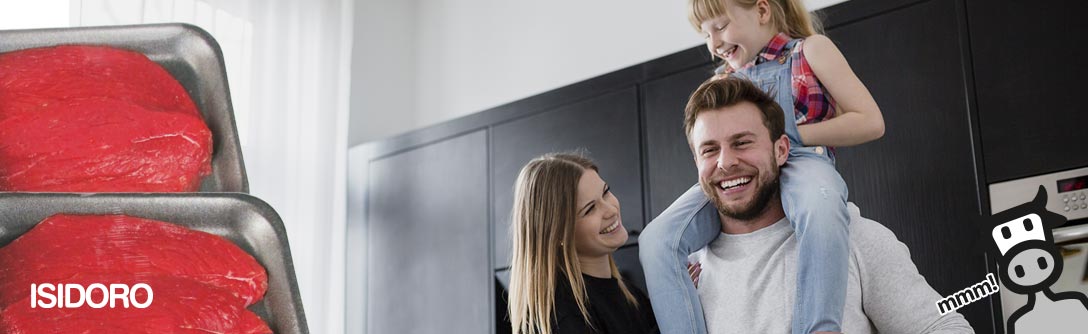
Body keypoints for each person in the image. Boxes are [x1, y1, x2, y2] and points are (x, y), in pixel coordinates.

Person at [640, 0, 885, 333]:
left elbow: (870, 122)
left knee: (820, 207)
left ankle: (820, 327)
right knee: (656, 239)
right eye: (705, 33)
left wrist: (781, 139)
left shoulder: (810, 51)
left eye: (721, 26)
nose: (713, 44)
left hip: (805, 162)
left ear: (762, 11)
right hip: (744, 177)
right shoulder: (722, 80)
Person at [679, 77, 973, 333]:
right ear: (696, 162)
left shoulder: (854, 239)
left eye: (742, 143)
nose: (726, 162)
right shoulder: (690, 270)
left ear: (781, 150)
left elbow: (946, 328)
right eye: (709, 149)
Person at [507, 153, 660, 334]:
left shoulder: (629, 294)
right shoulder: (564, 318)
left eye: (606, 192)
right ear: (558, 235)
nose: (611, 210)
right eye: (590, 209)